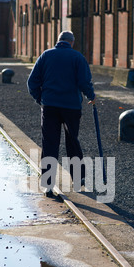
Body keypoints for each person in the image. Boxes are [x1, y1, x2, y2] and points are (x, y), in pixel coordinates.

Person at [27, 30, 95, 197]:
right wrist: (91, 96)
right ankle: (78, 180)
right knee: (72, 141)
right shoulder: (78, 57)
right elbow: (84, 82)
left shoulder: (45, 56)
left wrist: (40, 99)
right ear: (72, 42)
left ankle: (48, 185)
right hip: (71, 107)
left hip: (49, 106)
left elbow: (32, 82)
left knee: (49, 143)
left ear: (58, 41)